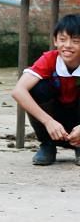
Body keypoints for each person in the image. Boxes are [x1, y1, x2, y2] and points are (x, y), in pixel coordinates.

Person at [12, 13, 80, 166]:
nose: (67, 45)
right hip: (55, 123)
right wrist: (48, 122)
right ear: (55, 41)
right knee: (36, 88)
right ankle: (47, 144)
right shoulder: (50, 59)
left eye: (75, 41)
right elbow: (18, 91)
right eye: (62, 40)